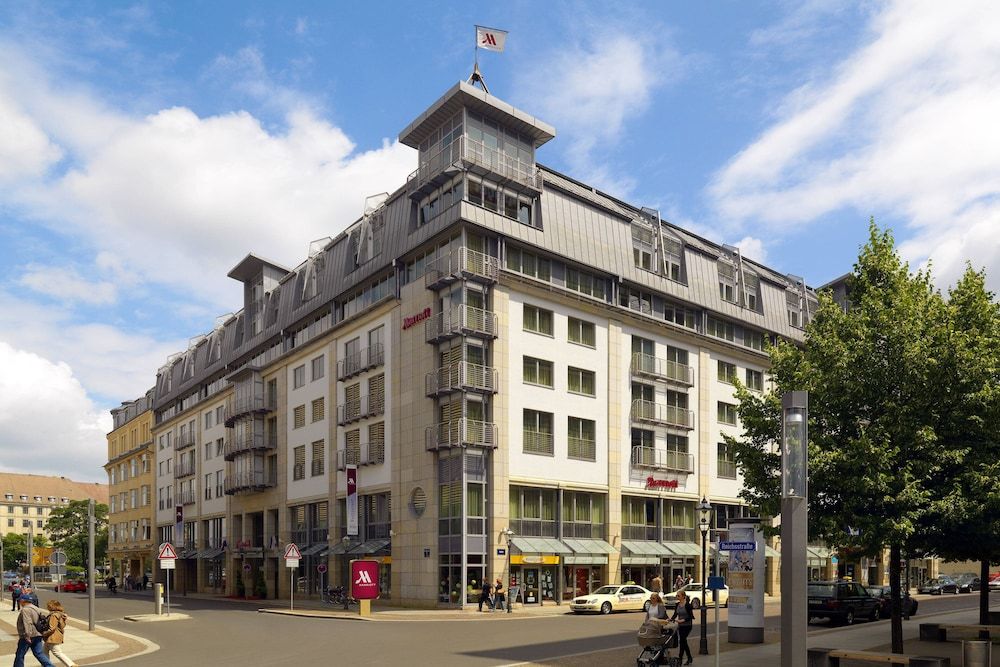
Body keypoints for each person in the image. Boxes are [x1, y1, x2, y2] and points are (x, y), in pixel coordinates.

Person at [14, 595, 55, 667]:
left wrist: (27, 635)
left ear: (23, 601)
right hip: (38, 634)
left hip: (29, 635)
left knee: (20, 654)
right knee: (39, 653)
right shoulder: (36, 609)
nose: (19, 602)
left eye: (20, 600)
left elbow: (27, 622)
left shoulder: (25, 609)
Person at [42, 600, 77, 667]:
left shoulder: (54, 615)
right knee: (44, 652)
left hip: (52, 637)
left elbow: (52, 628)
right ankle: (46, 665)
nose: (47, 607)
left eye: (48, 606)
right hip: (54, 636)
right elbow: (62, 626)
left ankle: (71, 664)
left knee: (57, 652)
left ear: (51, 606)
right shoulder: (60, 614)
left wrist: (44, 633)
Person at [669, 589, 695, 665]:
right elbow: (675, 614)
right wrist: (671, 619)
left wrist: (682, 620)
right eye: (676, 595)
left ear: (683, 596)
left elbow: (691, 617)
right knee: (683, 641)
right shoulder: (677, 604)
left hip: (687, 626)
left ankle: (680, 658)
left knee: (682, 641)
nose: (677, 597)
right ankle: (689, 657)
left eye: (678, 595)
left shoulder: (688, 605)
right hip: (680, 626)